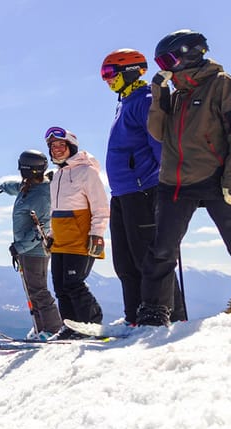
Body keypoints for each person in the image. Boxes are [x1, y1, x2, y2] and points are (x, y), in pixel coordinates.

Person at [138, 29, 231, 326]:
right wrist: (159, 96)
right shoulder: (175, 94)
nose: (164, 66)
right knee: (162, 250)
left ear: (190, 53)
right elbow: (157, 132)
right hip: (174, 182)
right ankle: (153, 312)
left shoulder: (221, 85)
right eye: (160, 62)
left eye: (168, 59)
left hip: (216, 178)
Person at [100, 48, 186, 326]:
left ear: (130, 71)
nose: (106, 80)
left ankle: (169, 316)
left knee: (149, 258)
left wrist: (169, 185)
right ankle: (134, 317)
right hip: (122, 194)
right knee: (125, 263)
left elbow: (159, 145)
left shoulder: (145, 101)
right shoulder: (124, 102)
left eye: (110, 73)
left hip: (143, 191)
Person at [43, 127, 110, 338]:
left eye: (61, 145)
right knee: (60, 287)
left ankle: (91, 324)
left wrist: (97, 234)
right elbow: (55, 210)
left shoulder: (86, 172)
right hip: (61, 239)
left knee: (74, 283)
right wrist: (51, 235)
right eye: (53, 147)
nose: (57, 150)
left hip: (81, 239)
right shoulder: (56, 176)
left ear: (71, 146)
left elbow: (100, 206)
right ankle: (70, 327)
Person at [0, 150, 63, 339]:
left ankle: (53, 330)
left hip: (35, 251)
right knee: (32, 290)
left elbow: (41, 229)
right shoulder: (29, 187)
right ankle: (41, 328)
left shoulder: (42, 195)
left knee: (38, 291)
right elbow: (16, 187)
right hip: (27, 250)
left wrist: (19, 247)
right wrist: (3, 187)